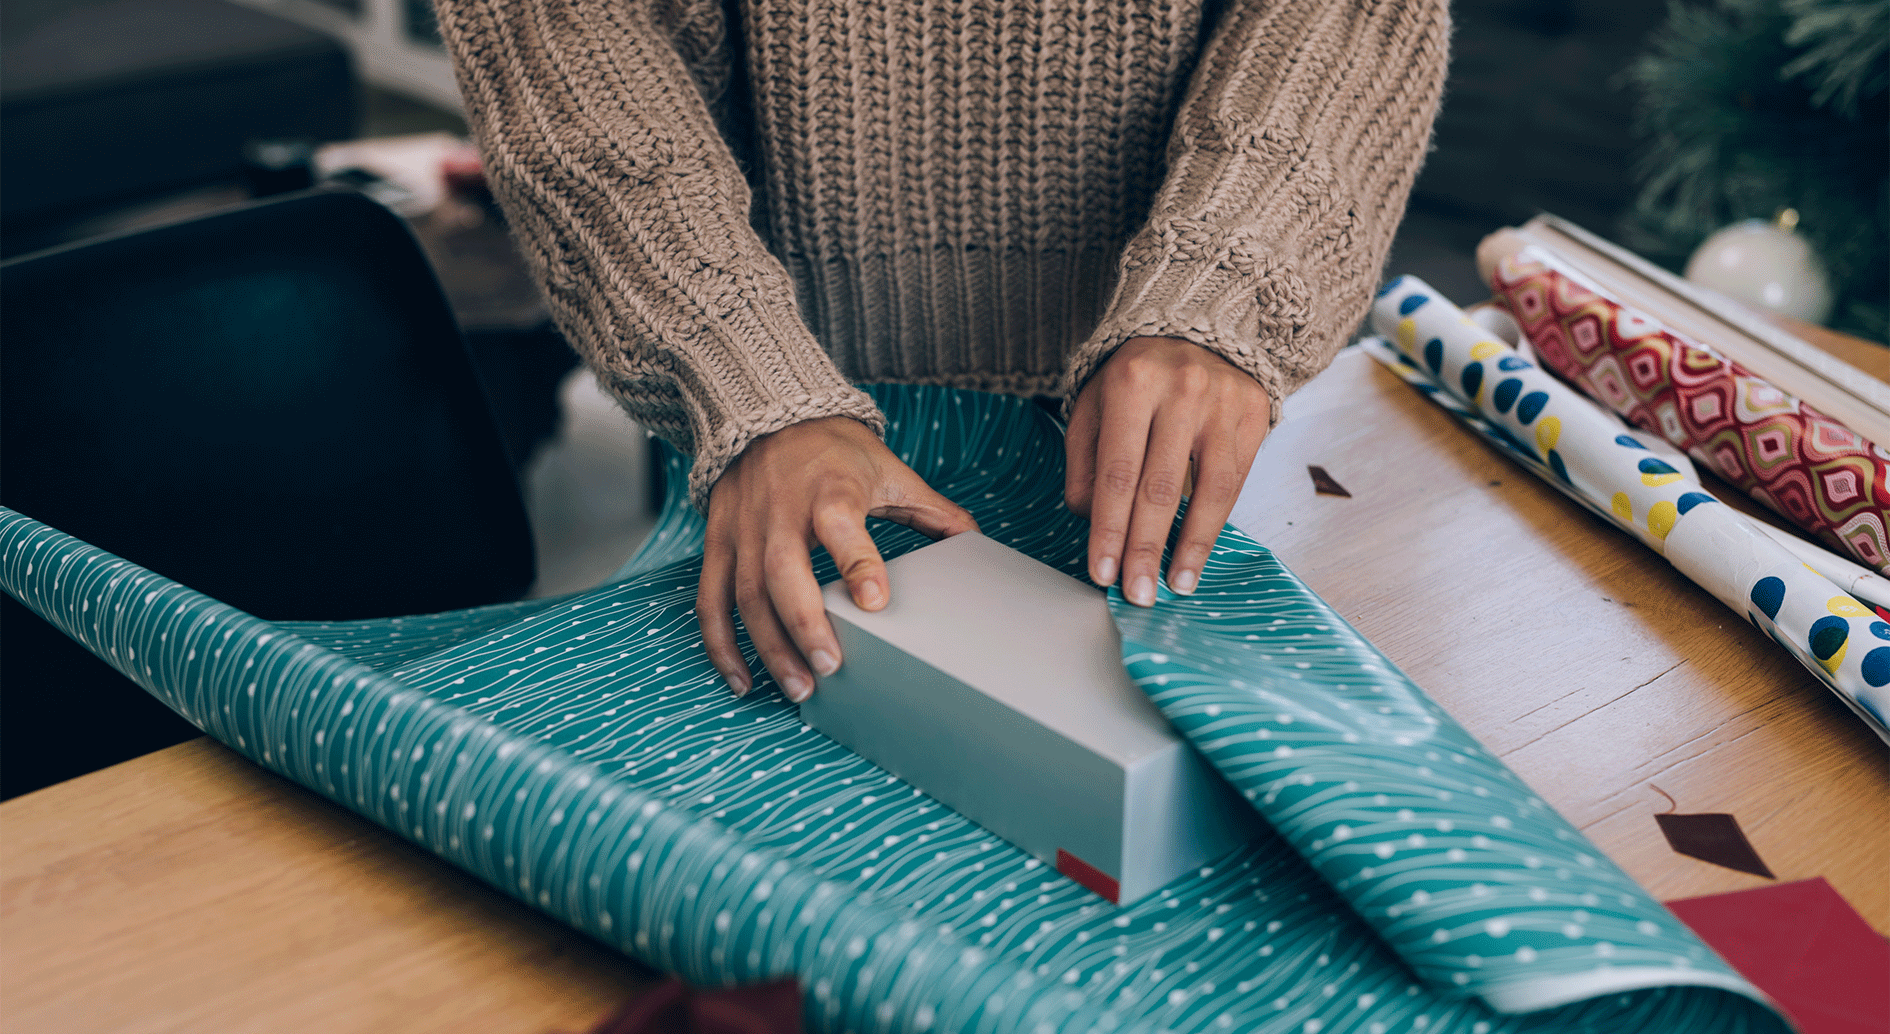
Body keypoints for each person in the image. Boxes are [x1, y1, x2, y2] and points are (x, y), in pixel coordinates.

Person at [436, 0, 1449, 702]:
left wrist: (1229, 274)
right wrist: (738, 371)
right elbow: (571, 43)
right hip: (780, 428)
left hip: (1183, 417)